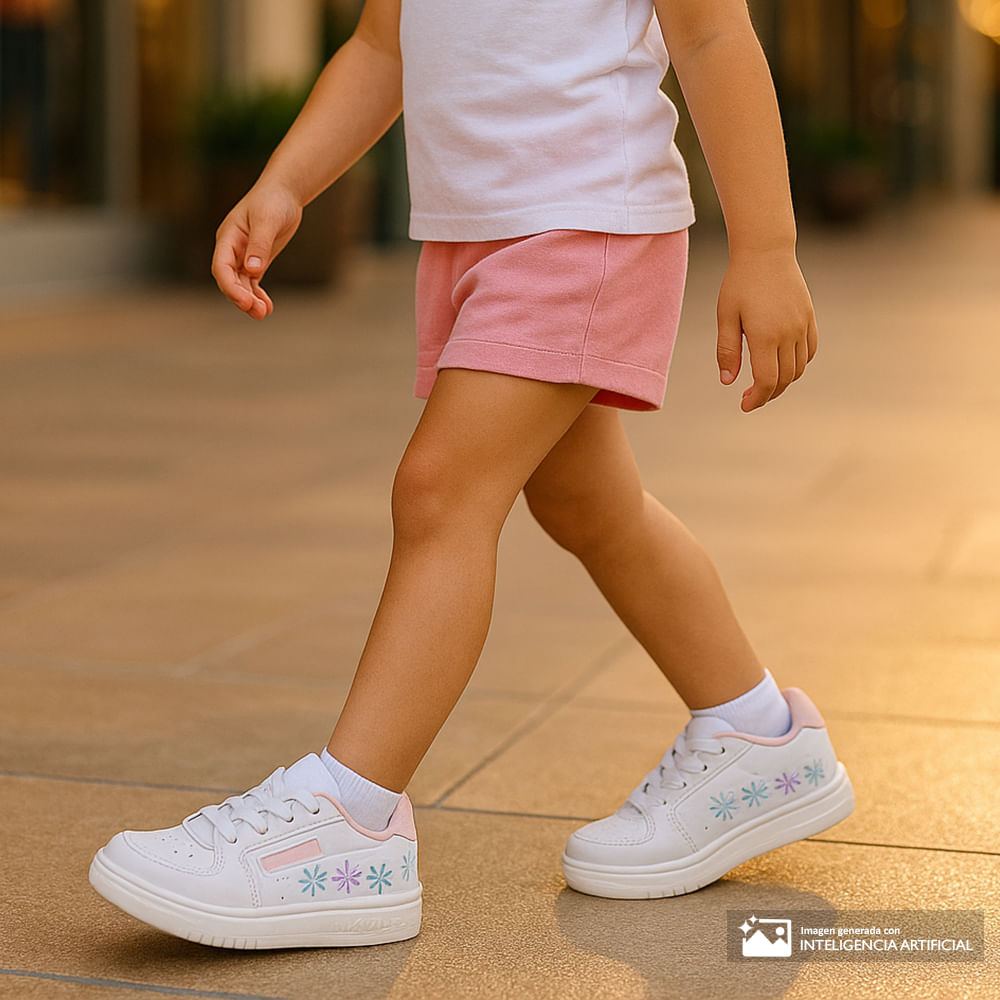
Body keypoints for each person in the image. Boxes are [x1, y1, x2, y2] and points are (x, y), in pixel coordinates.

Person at [89, 0, 854, 948]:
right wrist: (285, 182)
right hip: (475, 236)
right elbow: (381, 45)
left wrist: (768, 251)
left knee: (441, 492)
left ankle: (350, 821)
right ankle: (757, 737)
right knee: (588, 503)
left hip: (583, 223)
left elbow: (711, 36)